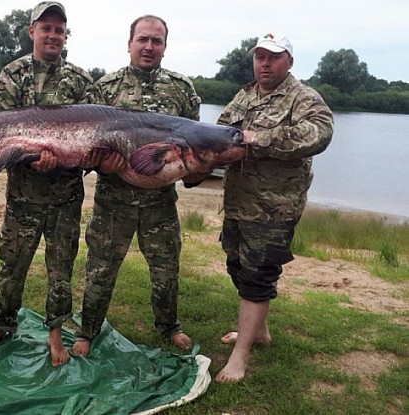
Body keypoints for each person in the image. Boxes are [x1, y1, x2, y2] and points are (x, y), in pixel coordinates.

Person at [71, 15, 202, 358]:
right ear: (129, 43)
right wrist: (102, 162)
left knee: (166, 269)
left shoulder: (182, 89)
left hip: (160, 203)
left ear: (164, 47)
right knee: (100, 268)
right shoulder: (105, 89)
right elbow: (87, 146)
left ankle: (169, 325)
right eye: (143, 39)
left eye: (156, 41)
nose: (149, 46)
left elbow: (196, 146)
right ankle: (87, 330)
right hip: (113, 201)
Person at [0, 1, 93, 367]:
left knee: (61, 270)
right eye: (46, 28)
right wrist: (33, 159)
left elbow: (93, 141)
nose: (53, 35)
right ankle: (1, 325)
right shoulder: (12, 75)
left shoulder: (81, 80)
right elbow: (1, 135)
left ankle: (55, 333)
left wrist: (69, 160)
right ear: (32, 32)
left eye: (59, 29)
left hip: (66, 199)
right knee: (12, 264)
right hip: (22, 197)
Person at [214, 33, 334, 383]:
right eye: (260, 57)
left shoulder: (304, 97)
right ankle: (259, 331)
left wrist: (258, 138)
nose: (264, 64)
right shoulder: (245, 95)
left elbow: (319, 134)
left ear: (289, 62)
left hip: (273, 209)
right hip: (237, 203)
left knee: (257, 277)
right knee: (238, 267)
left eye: (273, 57)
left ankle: (241, 355)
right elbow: (222, 130)